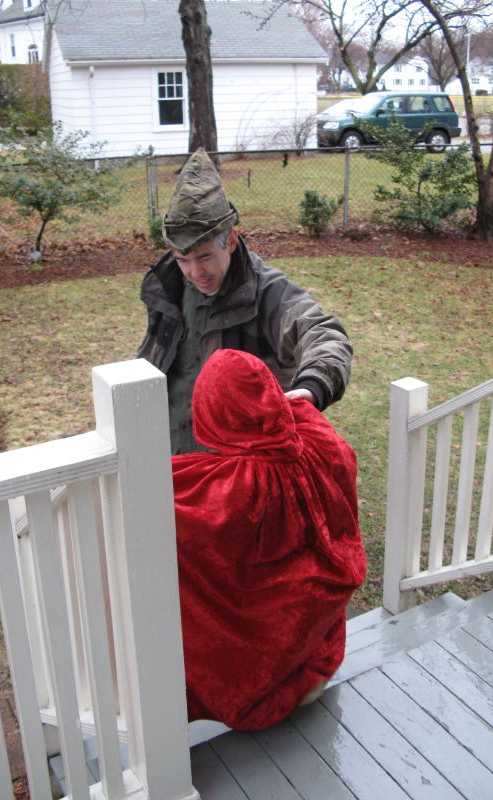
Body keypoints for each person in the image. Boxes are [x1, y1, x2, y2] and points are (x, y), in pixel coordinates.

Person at [172, 349, 367, 730]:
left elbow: (170, 510)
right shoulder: (321, 443)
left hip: (261, 679)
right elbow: (321, 434)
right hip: (318, 660)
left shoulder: (230, 491)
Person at [137, 148, 353, 454]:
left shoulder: (267, 291)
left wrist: (313, 387)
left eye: (205, 256)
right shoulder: (167, 287)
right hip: (169, 462)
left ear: (232, 240)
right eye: (183, 259)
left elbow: (323, 333)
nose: (196, 272)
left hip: (233, 472)